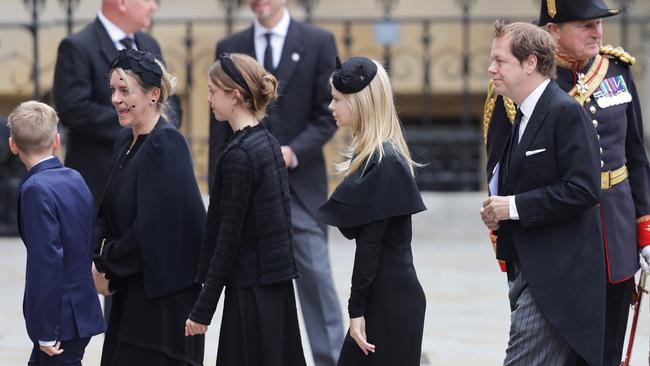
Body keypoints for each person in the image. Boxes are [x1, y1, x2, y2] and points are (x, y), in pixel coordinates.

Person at [483, 1, 650, 364]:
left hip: (614, 233)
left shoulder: (615, 70)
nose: (597, 32)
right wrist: (507, 242)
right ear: (553, 31)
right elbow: (500, 170)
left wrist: (645, 232)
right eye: (586, 25)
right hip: (559, 238)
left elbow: (635, 157)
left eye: (599, 24)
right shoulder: (526, 82)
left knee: (607, 349)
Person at [208, 1, 343, 365]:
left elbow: (327, 114)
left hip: (300, 188)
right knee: (251, 282)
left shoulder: (318, 41)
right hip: (243, 190)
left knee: (315, 278)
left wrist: (291, 152)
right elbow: (218, 128)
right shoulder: (231, 45)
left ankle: (330, 359)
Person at [481, 21, 605, 365]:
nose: (491, 69)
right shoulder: (521, 113)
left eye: (500, 61)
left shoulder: (565, 112)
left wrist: (513, 207)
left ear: (531, 62)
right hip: (528, 269)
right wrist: (499, 209)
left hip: (557, 281)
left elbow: (583, 189)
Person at [185, 53, 305, 366]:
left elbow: (228, 238)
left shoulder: (240, 155)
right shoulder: (267, 143)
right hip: (273, 288)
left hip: (251, 294)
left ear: (234, 96)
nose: (209, 99)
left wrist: (202, 309)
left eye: (213, 91)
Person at [92, 49, 205, 366]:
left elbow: (153, 227)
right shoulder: (123, 141)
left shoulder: (167, 144)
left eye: (125, 90)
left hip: (161, 304)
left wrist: (106, 264)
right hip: (128, 290)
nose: (116, 98)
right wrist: (99, 260)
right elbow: (106, 212)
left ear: (154, 95)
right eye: (113, 90)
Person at [316, 56, 427, 365]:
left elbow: (370, 246)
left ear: (361, 103)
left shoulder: (385, 161)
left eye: (338, 100)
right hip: (387, 295)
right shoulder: (374, 157)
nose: (331, 107)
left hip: (390, 301)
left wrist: (356, 311)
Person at [52, 0, 180, 205]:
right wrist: (140, 124)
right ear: (122, 3)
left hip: (151, 177)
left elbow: (169, 99)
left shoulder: (149, 44)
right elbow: (74, 109)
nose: (154, 6)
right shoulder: (78, 46)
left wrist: (161, 132)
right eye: (148, 0)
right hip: (101, 181)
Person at [8, 101, 105, 365]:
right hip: (78, 312)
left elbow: (47, 262)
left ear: (13, 145)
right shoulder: (75, 177)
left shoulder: (35, 189)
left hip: (60, 320)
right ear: (56, 141)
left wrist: (45, 330)